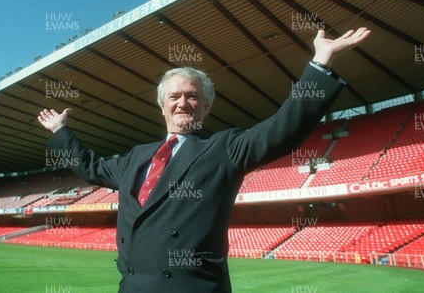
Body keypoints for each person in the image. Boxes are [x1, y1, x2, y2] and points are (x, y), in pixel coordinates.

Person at [38, 28, 371, 292]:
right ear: (162, 105)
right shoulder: (136, 158)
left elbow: (284, 128)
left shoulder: (224, 148)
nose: (183, 102)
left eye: (192, 96)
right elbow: (91, 168)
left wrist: (320, 63)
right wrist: (60, 131)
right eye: (175, 96)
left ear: (206, 106)